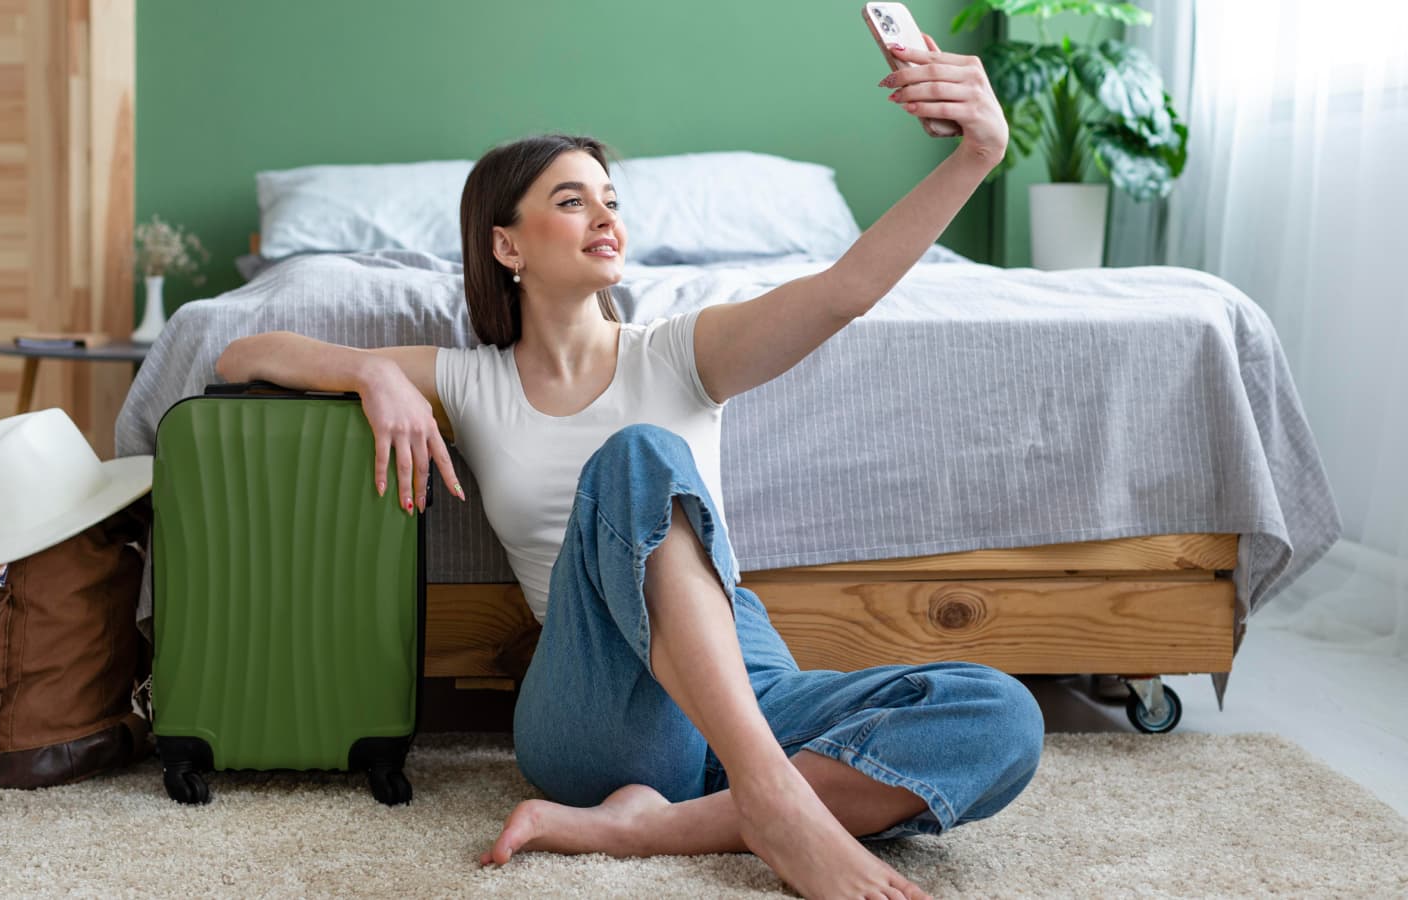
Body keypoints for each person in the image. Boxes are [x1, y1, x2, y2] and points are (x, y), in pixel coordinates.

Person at [217, 34, 1041, 900]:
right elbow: (243, 351)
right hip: (602, 705)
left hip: (747, 677)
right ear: (507, 247)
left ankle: (674, 824)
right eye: (572, 201)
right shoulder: (470, 381)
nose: (607, 217)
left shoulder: (683, 354)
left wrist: (978, 155)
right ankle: (778, 800)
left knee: (999, 717)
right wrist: (369, 369)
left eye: (611, 200)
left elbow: (843, 290)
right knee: (639, 457)